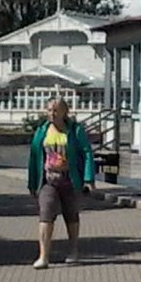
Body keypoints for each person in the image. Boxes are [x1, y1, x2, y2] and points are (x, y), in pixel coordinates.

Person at [27, 97, 95, 269]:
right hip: (48, 180)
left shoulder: (75, 131)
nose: (52, 114)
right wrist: (32, 183)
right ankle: (43, 256)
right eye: (50, 110)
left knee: (71, 215)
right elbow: (34, 156)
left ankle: (73, 250)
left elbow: (87, 153)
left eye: (56, 110)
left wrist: (88, 179)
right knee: (46, 213)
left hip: (69, 179)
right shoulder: (42, 131)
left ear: (65, 112)